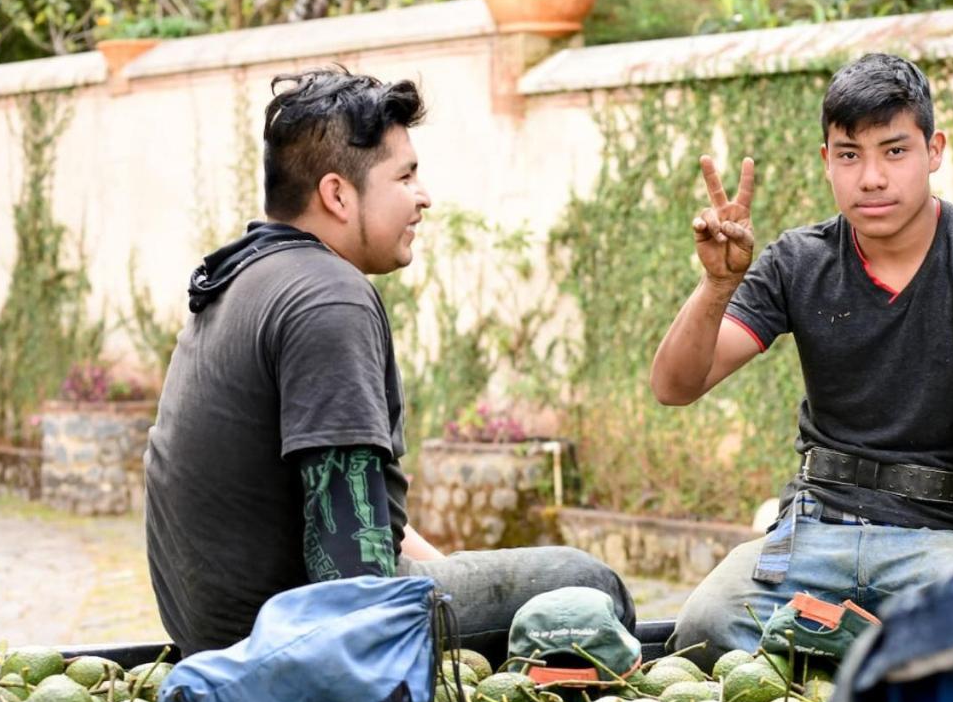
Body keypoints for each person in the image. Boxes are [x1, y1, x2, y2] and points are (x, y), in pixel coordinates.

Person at [145, 67, 634, 657]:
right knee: (586, 585)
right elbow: (348, 553)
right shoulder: (328, 297)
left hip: (220, 633)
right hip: (287, 642)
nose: (423, 196)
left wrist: (453, 576)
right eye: (405, 175)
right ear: (337, 194)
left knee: (482, 583)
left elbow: (358, 505)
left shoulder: (245, 274)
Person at [652, 53, 953, 668]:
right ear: (826, 162)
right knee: (705, 628)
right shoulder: (799, 260)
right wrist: (716, 286)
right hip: (813, 526)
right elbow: (675, 387)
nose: (871, 177)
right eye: (849, 154)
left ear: (934, 149)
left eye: (894, 151)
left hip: (936, 538)